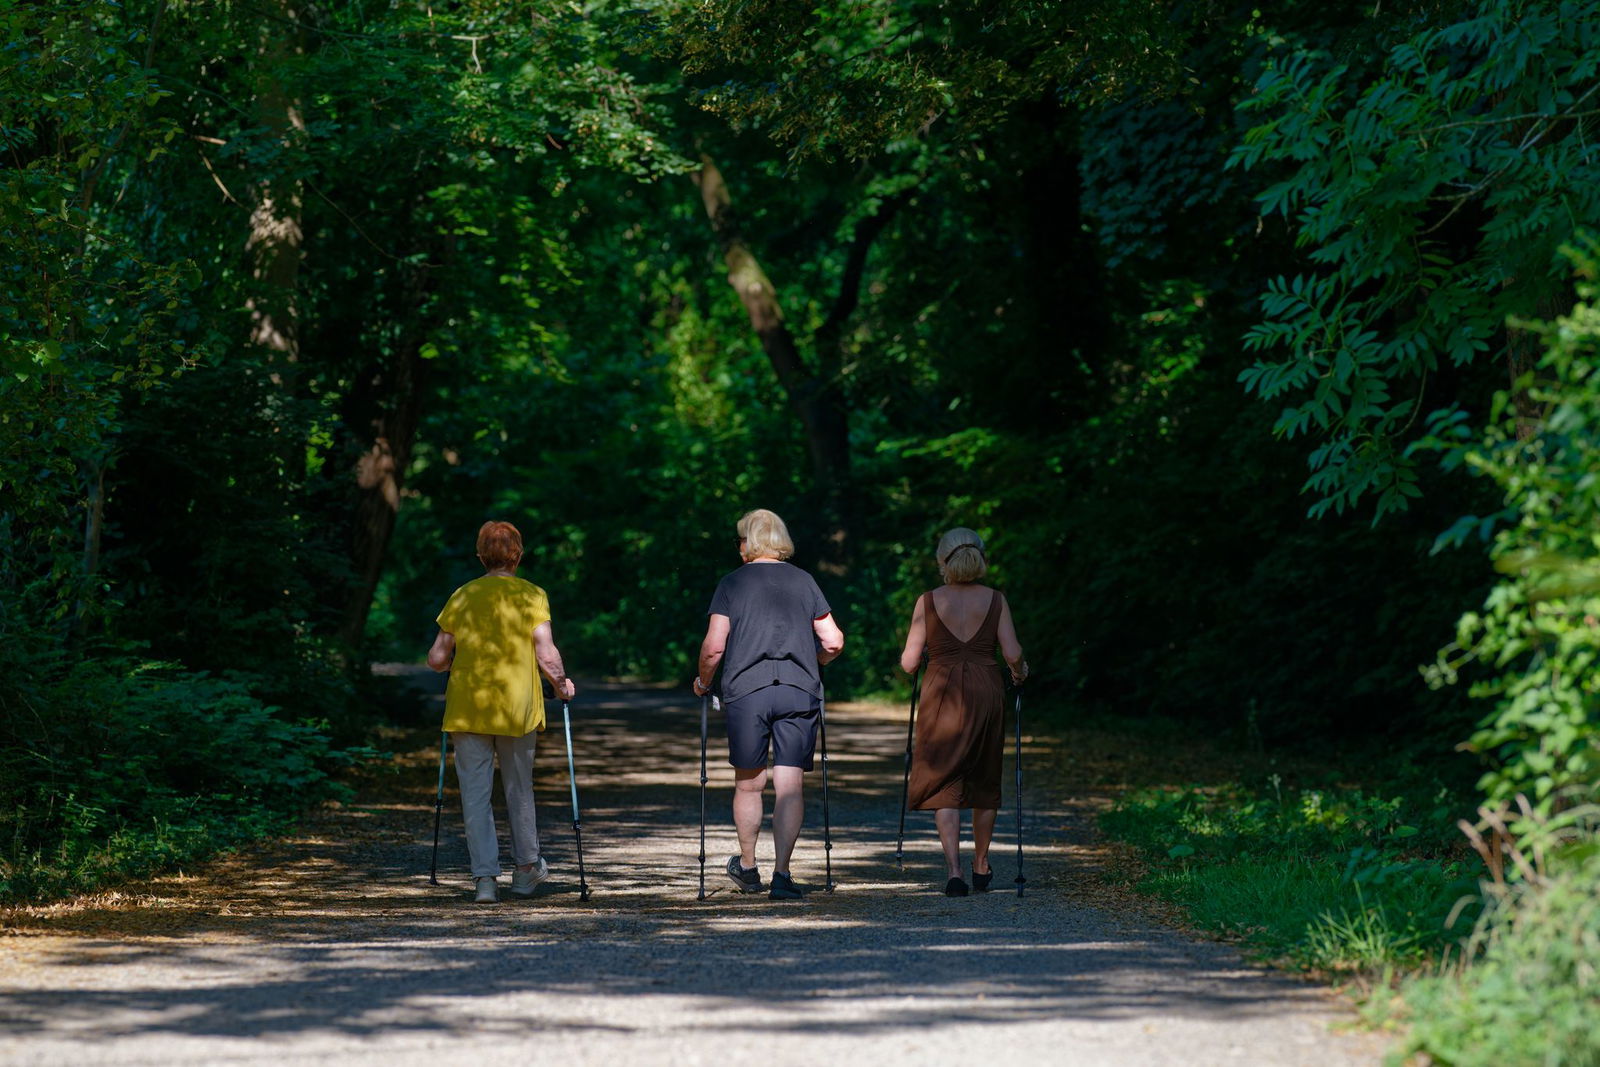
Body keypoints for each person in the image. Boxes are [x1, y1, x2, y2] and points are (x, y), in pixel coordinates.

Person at [693, 508, 845, 901]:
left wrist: (703, 682)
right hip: (799, 688)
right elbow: (833, 641)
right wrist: (814, 662)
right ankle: (782, 874)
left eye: (739, 539)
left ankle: (748, 867)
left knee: (749, 783)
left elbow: (714, 647)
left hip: (747, 690)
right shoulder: (804, 581)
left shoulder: (732, 583)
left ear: (748, 542)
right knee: (790, 783)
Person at [427, 520, 577, 903]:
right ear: (518, 555)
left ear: (481, 556)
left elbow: (437, 658)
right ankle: (526, 871)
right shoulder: (531, 595)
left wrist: (453, 661)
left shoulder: (462, 596)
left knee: (475, 796)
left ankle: (485, 882)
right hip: (517, 709)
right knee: (519, 789)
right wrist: (562, 685)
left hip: (468, 707)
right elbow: (546, 651)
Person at [898, 527, 1027, 896]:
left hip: (941, 693)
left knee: (944, 781)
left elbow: (909, 664)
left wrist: (925, 655)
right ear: (981, 558)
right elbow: (1013, 653)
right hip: (986, 691)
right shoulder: (996, 600)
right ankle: (981, 863)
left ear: (943, 561)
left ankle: (954, 870)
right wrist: (1019, 673)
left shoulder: (927, 601)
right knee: (984, 776)